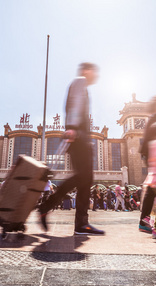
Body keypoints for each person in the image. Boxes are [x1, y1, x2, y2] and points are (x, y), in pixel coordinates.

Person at [39, 62, 104, 235]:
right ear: (86, 70)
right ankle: (51, 208)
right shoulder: (80, 81)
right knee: (83, 178)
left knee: (84, 180)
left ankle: (80, 223)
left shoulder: (83, 85)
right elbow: (74, 104)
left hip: (80, 137)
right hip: (77, 137)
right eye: (94, 71)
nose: (95, 75)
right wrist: (73, 127)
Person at [138, 95, 156, 232]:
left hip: (154, 157)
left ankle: (146, 221)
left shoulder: (154, 118)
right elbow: (154, 140)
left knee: (155, 190)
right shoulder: (154, 119)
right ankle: (151, 223)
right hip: (155, 157)